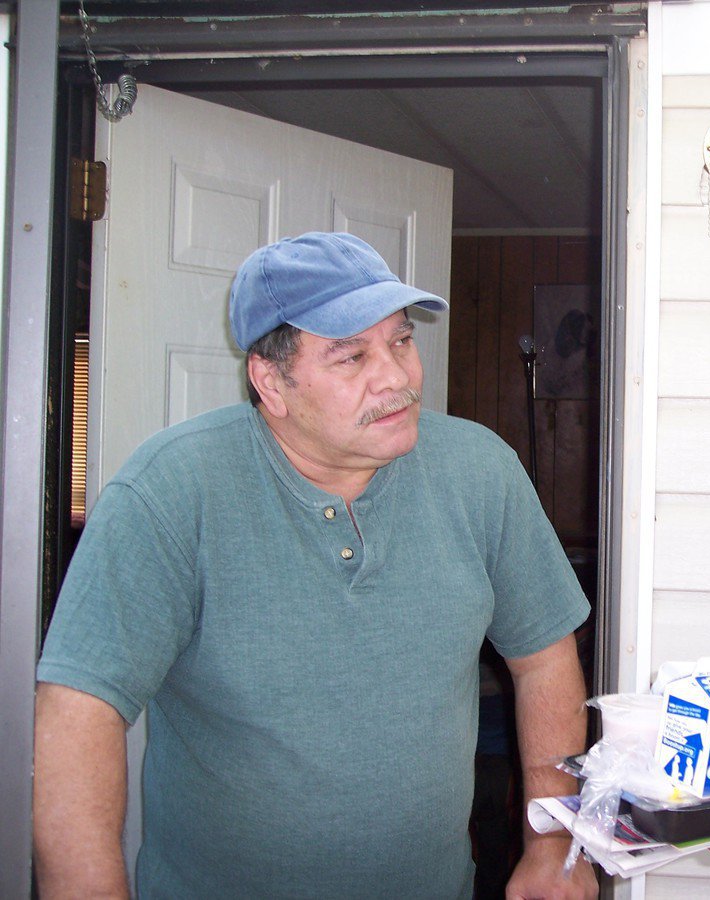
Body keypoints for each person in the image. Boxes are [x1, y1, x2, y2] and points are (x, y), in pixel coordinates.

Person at [33, 232, 599, 900]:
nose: (396, 377)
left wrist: (554, 842)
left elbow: (542, 656)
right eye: (351, 355)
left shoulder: (481, 471)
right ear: (271, 381)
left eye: (400, 341)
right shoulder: (170, 491)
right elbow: (79, 715)